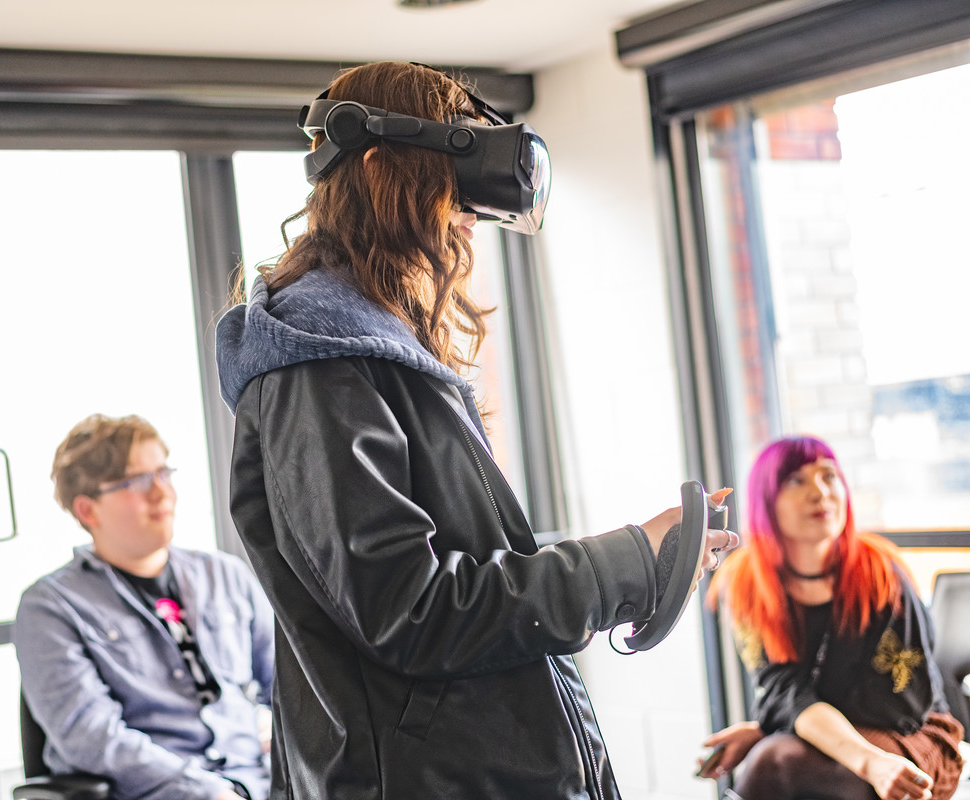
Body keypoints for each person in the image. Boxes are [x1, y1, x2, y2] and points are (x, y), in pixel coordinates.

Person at [214, 60, 735, 800]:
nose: (466, 219)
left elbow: (469, 567)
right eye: (448, 187)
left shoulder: (374, 352)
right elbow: (411, 612)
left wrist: (640, 557)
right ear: (379, 171)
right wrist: (620, 567)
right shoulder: (318, 368)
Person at [14, 414, 275, 800]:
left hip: (263, 783)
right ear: (88, 510)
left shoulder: (226, 576)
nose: (162, 493)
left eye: (164, 473)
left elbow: (291, 687)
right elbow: (91, 736)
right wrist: (210, 793)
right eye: (137, 481)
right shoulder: (51, 607)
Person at [699, 435, 965, 800]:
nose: (820, 492)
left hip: (913, 734)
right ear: (766, 500)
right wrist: (786, 717)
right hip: (832, 741)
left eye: (829, 476)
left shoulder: (880, 573)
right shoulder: (747, 582)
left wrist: (776, 724)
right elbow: (785, 690)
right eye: (796, 480)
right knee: (777, 763)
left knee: (775, 762)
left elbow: (895, 703)